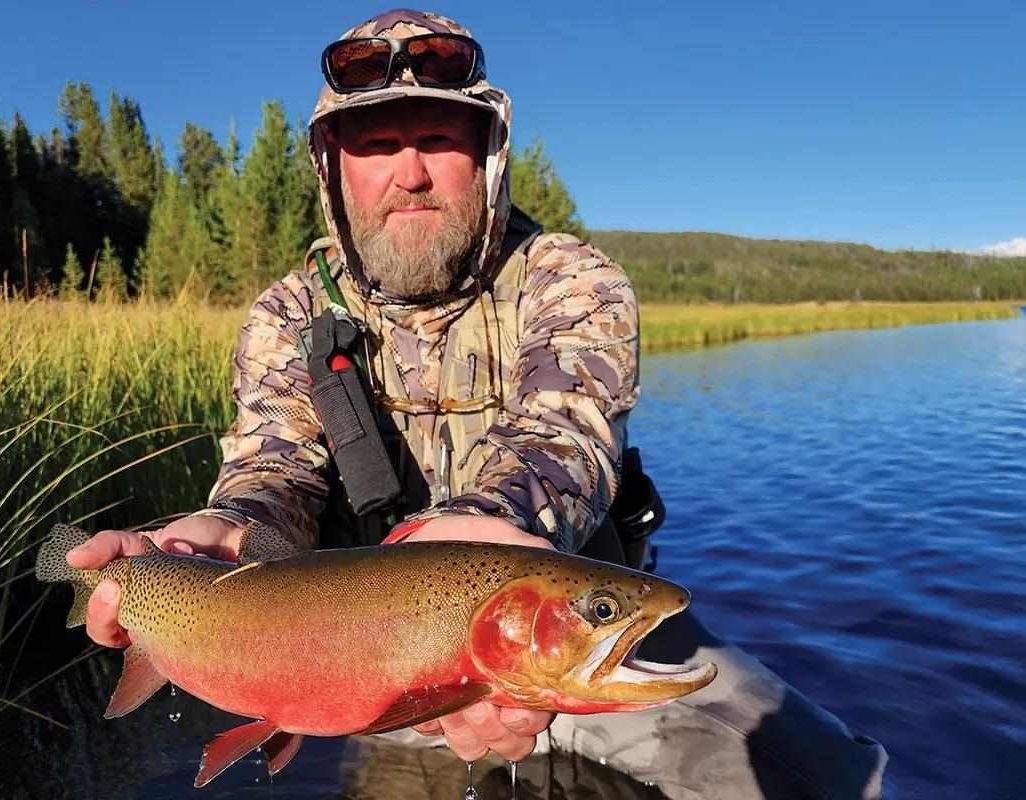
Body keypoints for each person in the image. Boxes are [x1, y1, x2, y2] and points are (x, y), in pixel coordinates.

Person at [66, 10, 887, 798]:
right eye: (380, 144)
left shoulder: (572, 278)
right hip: (372, 664)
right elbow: (275, 468)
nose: (410, 171)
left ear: (488, 154)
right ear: (334, 168)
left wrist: (489, 524)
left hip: (571, 632)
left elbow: (564, 430)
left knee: (826, 778)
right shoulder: (288, 317)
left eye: (439, 139)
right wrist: (230, 526)